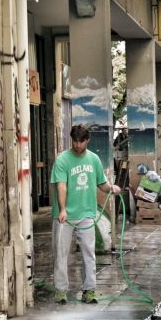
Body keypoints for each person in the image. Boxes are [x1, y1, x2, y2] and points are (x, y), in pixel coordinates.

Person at [51, 125, 121, 304]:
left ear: (87, 140)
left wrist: (111, 189)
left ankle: (89, 291)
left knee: (89, 253)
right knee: (61, 253)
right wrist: (63, 209)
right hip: (64, 216)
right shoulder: (62, 160)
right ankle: (60, 291)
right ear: (71, 140)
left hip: (86, 214)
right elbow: (61, 185)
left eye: (81, 141)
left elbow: (101, 183)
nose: (78, 145)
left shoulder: (94, 159)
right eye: (75, 141)